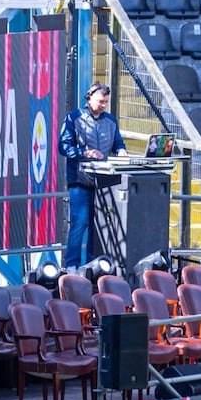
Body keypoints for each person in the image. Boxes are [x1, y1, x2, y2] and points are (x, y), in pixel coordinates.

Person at [59, 82, 126, 269]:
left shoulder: (111, 121)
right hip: (80, 181)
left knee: (98, 227)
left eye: (105, 102)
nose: (103, 105)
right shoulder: (74, 118)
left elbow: (118, 143)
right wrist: (84, 153)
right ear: (89, 98)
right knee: (79, 224)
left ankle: (91, 265)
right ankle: (71, 265)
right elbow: (63, 146)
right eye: (100, 101)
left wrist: (121, 151)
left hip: (103, 182)